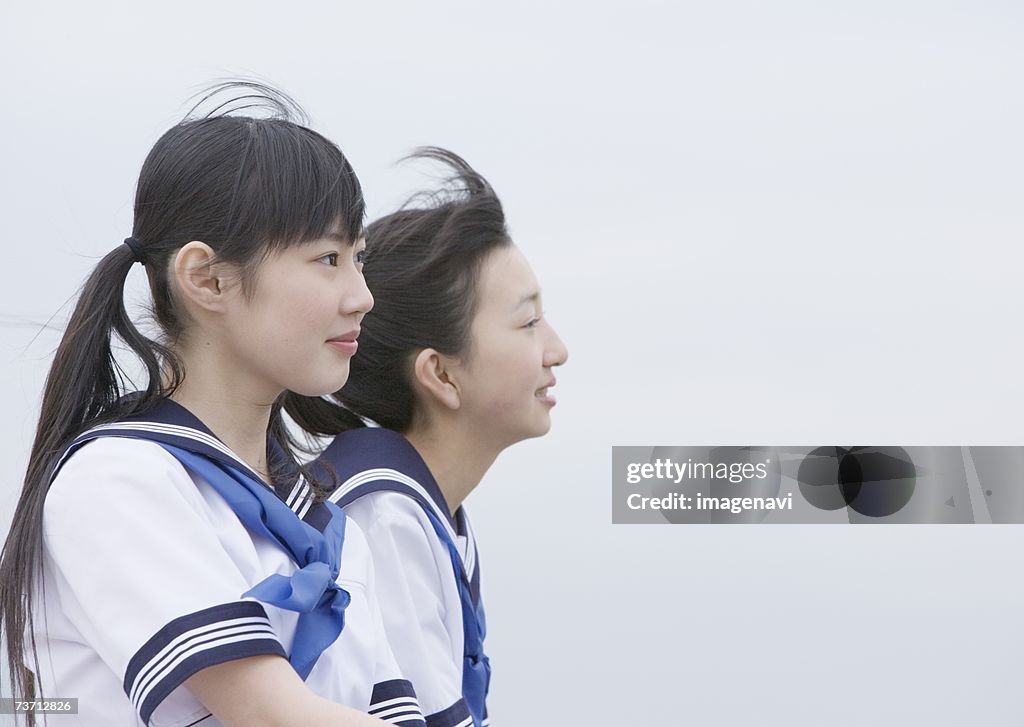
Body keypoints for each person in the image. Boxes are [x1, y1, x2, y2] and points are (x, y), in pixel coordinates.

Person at [0, 84, 425, 727]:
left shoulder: (326, 526)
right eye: (329, 259)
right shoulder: (119, 483)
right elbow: (276, 718)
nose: (361, 296)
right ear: (207, 278)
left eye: (359, 260)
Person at [285, 148, 570, 727]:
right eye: (528, 322)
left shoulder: (421, 507)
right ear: (441, 373)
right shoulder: (384, 517)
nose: (556, 350)